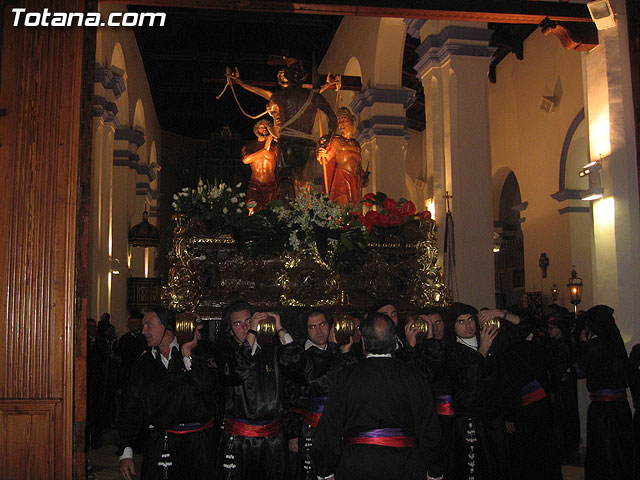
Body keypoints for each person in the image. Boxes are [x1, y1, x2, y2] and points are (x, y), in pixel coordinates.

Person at [312, 312, 444, 480]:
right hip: (405, 465)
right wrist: (434, 471)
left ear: (364, 342)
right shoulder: (414, 376)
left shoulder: (346, 376)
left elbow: (330, 427)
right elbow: (429, 428)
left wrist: (325, 471)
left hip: (358, 465)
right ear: (394, 339)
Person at [117, 308, 219, 480]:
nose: (143, 331)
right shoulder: (144, 364)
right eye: (143, 326)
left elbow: (207, 387)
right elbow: (132, 406)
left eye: (149, 325)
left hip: (197, 445)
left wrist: (187, 356)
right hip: (159, 445)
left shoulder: (198, 353)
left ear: (167, 328)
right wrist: (126, 450)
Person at [226, 59, 337, 199]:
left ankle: (287, 216)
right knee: (305, 186)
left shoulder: (279, 96)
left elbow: (255, 90)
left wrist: (238, 81)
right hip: (307, 146)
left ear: (288, 77)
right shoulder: (314, 96)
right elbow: (333, 118)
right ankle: (304, 217)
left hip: (287, 144)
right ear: (304, 78)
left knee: (285, 184)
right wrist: (329, 136)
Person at [216, 301, 302, 480]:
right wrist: (253, 333)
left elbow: (297, 365)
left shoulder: (271, 351)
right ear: (230, 330)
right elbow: (238, 370)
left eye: (249, 321)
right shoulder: (226, 355)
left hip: (273, 439)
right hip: (241, 441)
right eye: (238, 324)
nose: (246, 327)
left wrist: (280, 329)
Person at [444, 303, 527, 480]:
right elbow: (469, 381)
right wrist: (482, 351)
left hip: (494, 420)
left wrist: (501, 313)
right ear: (453, 326)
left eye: (470, 320)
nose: (468, 326)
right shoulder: (452, 351)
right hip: (471, 423)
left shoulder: (491, 340)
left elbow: (523, 329)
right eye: (461, 322)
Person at [288, 309, 355, 479]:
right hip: (312, 427)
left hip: (342, 428)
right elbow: (293, 395)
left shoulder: (344, 352)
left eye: (323, 324)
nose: (319, 331)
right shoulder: (300, 357)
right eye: (312, 327)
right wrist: (292, 434)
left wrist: (344, 353)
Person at [575, 305, 634, 480]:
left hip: (601, 412)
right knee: (622, 454)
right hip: (621, 408)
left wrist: (583, 346)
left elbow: (580, 371)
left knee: (603, 456)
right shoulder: (617, 345)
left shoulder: (595, 347)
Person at [317, 107, 367, 206]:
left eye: (344, 121)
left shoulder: (356, 144)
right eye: (339, 122)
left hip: (355, 179)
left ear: (351, 121)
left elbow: (358, 164)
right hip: (342, 177)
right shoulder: (336, 141)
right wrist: (321, 155)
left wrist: (363, 176)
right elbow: (325, 160)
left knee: (353, 207)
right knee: (342, 204)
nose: (341, 124)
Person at [547, 311, 580, 457]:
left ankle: (564, 446)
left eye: (552, 328)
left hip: (562, 388)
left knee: (563, 417)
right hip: (565, 387)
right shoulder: (563, 344)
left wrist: (553, 389)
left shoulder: (562, 346)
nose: (549, 331)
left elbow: (558, 370)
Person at [242, 119, 278, 213]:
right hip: (255, 185)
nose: (265, 128)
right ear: (256, 129)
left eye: (267, 126)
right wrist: (264, 149)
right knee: (252, 208)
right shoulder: (250, 146)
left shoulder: (275, 147)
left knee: (271, 213)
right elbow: (246, 160)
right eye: (262, 126)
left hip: (271, 185)